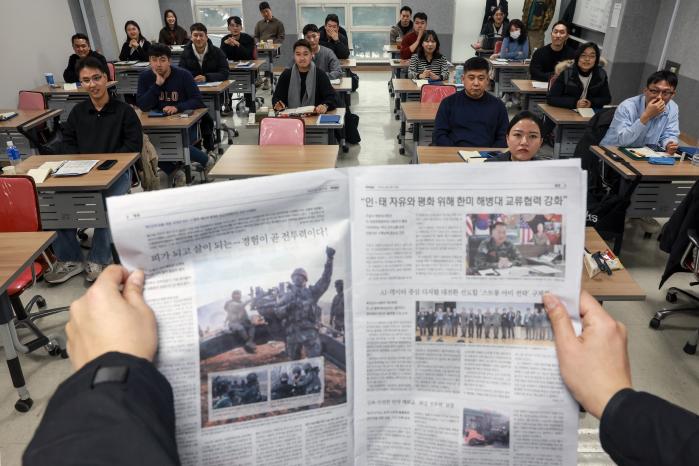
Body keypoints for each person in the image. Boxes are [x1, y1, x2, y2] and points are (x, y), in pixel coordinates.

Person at [24, 267, 699, 464]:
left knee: (311, 371)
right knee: (283, 375)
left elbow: (314, 289)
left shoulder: (307, 292)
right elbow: (274, 303)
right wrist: (619, 405)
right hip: (287, 343)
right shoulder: (280, 296)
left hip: (303, 344)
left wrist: (109, 377)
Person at [44, 57, 141, 284]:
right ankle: (71, 258)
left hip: (117, 174)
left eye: (96, 78)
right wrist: (80, 162)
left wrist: (107, 164)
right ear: (81, 83)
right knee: (54, 202)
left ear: (107, 78)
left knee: (105, 202)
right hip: (81, 173)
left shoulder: (124, 111)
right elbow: (67, 141)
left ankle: (99, 258)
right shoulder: (78, 112)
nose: (92, 84)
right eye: (86, 80)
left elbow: (133, 146)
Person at [136, 43, 212, 185]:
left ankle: (207, 160)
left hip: (184, 125)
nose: (158, 64)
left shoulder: (183, 75)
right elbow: (143, 105)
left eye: (162, 60)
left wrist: (178, 107)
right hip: (155, 125)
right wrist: (157, 85)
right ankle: (174, 172)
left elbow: (197, 100)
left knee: (173, 142)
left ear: (170, 61)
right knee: (147, 147)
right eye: (154, 60)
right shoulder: (145, 77)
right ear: (149, 61)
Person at [273, 247, 335, 360]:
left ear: (305, 279)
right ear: (292, 279)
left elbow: (325, 280)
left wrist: (329, 259)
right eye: (295, 276)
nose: (297, 278)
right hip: (292, 333)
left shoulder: (311, 293)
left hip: (309, 332)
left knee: (315, 362)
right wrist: (288, 307)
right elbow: (277, 312)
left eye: (300, 276)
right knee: (293, 363)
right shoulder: (287, 296)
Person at [433, 57, 509, 147]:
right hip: (455, 155)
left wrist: (489, 156)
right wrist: (455, 153)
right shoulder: (448, 103)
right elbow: (439, 135)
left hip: (486, 157)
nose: (476, 83)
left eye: (481, 78)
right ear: (463, 79)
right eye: (471, 78)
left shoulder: (498, 106)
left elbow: (503, 137)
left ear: (487, 80)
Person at [600, 70, 680, 154]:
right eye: (654, 91)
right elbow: (622, 141)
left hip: (644, 156)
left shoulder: (673, 108)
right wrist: (646, 116)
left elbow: (669, 134)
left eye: (666, 93)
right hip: (612, 153)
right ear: (645, 90)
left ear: (673, 94)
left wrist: (669, 143)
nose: (659, 97)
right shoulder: (627, 106)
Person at [272, 39, 337, 114]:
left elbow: (331, 98)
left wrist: (325, 106)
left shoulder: (320, 75)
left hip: (315, 118)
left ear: (312, 54)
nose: (302, 58)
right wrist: (278, 104)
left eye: (305, 54)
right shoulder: (286, 75)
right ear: (294, 56)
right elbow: (276, 98)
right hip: (292, 120)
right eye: (298, 54)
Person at [548, 42, 611, 110]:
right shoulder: (567, 73)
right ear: (577, 58)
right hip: (568, 111)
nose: (587, 59)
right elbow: (551, 98)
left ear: (596, 60)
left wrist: (591, 103)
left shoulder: (601, 74)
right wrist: (575, 103)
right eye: (583, 55)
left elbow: (606, 98)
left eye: (592, 56)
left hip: (589, 112)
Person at [220, 16, 256, 112]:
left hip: (247, 69)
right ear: (228, 28)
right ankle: (228, 104)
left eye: (237, 25)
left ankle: (250, 105)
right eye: (232, 26)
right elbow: (221, 58)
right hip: (231, 69)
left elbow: (248, 54)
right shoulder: (225, 40)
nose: (235, 28)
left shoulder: (248, 38)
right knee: (225, 77)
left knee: (248, 80)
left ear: (241, 27)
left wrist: (237, 44)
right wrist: (224, 45)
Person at [254, 1, 285, 90]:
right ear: (261, 13)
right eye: (263, 12)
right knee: (252, 55)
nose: (265, 14)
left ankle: (267, 79)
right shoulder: (259, 24)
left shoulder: (278, 23)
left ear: (270, 10)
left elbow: (281, 37)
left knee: (266, 57)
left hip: (273, 49)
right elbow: (256, 36)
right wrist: (257, 43)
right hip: (260, 47)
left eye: (267, 11)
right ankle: (258, 78)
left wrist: (272, 45)